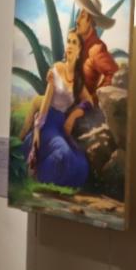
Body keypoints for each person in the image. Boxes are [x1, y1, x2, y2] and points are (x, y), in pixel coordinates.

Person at [23, 29, 91, 188]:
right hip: (46, 122)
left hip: (60, 126)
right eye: (68, 41)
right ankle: (37, 173)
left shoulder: (78, 80)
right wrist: (37, 130)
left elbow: (89, 101)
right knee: (63, 154)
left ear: (80, 50)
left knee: (81, 165)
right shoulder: (57, 69)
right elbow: (46, 101)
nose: (70, 45)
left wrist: (74, 115)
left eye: (74, 42)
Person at [73, 0, 120, 94]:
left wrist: (95, 98)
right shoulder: (78, 45)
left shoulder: (96, 49)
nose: (77, 20)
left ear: (90, 21)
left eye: (82, 16)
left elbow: (114, 74)